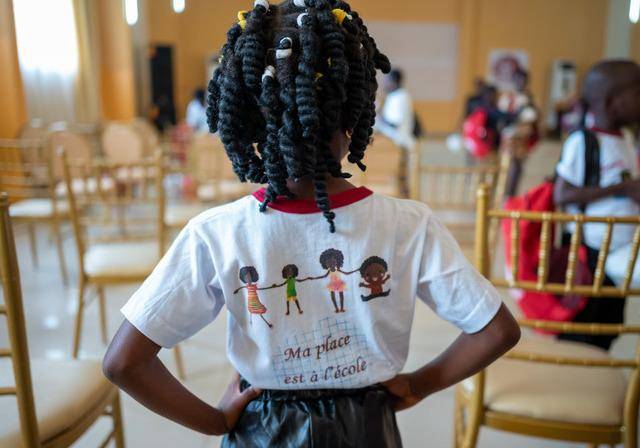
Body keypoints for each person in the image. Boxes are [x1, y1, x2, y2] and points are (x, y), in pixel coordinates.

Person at [102, 1, 520, 446]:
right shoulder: (409, 224)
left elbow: (123, 362)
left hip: (262, 429)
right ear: (355, 113)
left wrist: (216, 420)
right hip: (366, 427)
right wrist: (418, 385)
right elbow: (497, 330)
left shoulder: (216, 233)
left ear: (250, 119)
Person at [554, 59, 640, 350]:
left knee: (608, 327)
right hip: (590, 253)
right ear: (611, 101)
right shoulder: (584, 141)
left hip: (620, 250)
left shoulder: (626, 139)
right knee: (581, 328)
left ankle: (597, 379)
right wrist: (624, 188)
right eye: (636, 92)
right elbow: (563, 194)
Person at [375, 68, 416, 198]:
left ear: (393, 82)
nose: (383, 84)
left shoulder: (401, 97)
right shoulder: (394, 96)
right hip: (391, 143)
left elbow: (394, 124)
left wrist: (378, 113)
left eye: (386, 81)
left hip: (398, 145)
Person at [499, 68, 540, 197]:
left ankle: (511, 194)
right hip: (510, 137)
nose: (521, 82)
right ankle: (505, 194)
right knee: (509, 165)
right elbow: (502, 115)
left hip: (524, 138)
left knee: (518, 166)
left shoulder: (531, 97)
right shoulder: (508, 97)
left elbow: (535, 117)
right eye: (518, 79)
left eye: (523, 80)